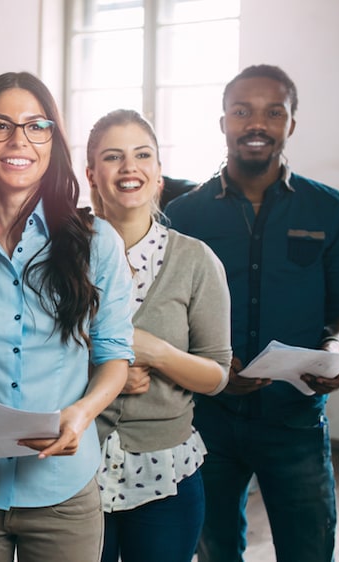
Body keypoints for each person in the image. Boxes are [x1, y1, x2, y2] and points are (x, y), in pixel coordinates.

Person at [0, 71, 134, 562]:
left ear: (53, 140)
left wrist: (82, 414)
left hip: (62, 493)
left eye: (37, 126)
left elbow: (115, 355)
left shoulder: (96, 243)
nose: (19, 140)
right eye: (1, 126)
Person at [164, 64, 339, 562]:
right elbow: (163, 313)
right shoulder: (184, 216)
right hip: (207, 419)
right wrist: (206, 366)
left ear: (290, 123)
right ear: (224, 122)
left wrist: (334, 350)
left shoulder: (331, 212)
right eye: (242, 111)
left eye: (273, 112)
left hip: (294, 420)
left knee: (309, 550)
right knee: (213, 551)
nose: (257, 123)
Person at [85, 109, 232, 562]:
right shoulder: (58, 252)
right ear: (91, 174)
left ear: (158, 173)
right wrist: (105, 372)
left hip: (166, 473)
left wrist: (160, 352)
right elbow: (26, 350)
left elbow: (217, 375)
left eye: (142, 155)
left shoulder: (196, 260)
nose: (129, 167)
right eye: (113, 156)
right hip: (74, 465)